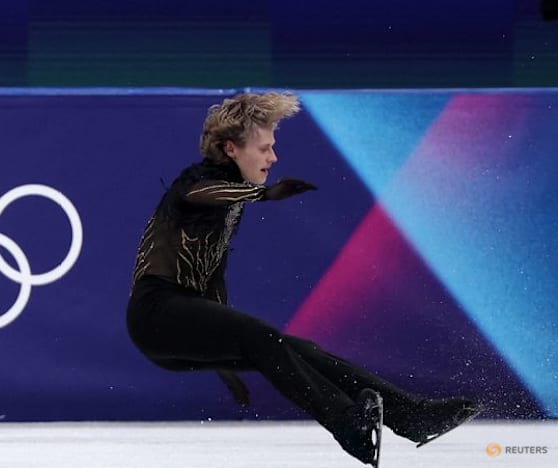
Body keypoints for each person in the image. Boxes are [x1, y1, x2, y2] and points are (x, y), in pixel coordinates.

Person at [126, 91, 480, 466]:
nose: (273, 158)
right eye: (264, 149)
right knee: (261, 336)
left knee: (299, 350)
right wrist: (265, 193)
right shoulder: (196, 181)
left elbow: (211, 281)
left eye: (272, 147)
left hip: (180, 323)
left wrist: (224, 365)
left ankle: (410, 416)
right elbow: (200, 193)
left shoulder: (230, 205)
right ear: (231, 149)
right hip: (154, 313)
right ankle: (348, 425)